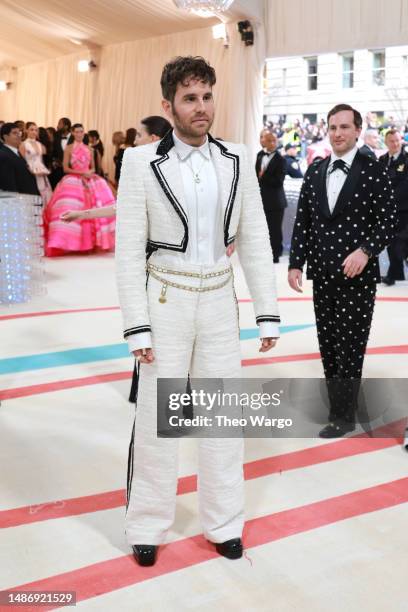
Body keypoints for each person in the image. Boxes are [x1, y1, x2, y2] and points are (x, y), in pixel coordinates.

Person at [115, 56, 280, 566]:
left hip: (218, 300)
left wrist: (267, 312)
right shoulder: (140, 162)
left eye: (207, 95)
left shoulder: (235, 156)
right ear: (168, 106)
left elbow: (254, 235)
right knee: (158, 421)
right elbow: (128, 248)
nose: (202, 107)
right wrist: (136, 325)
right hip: (164, 299)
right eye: (190, 98)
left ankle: (225, 523)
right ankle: (147, 525)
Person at [288, 104, 396, 439]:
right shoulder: (316, 170)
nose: (337, 133)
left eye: (344, 127)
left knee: (351, 345)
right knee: (329, 343)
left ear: (358, 130)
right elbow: (303, 221)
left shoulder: (373, 171)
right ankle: (339, 405)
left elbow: (388, 221)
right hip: (322, 273)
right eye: (333, 127)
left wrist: (366, 251)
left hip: (357, 278)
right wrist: (295, 262)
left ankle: (342, 415)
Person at [43, 123, 115, 256]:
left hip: (89, 178)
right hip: (73, 178)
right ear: (73, 133)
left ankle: (92, 243)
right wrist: (81, 173)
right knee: (69, 206)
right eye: (76, 132)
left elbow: (93, 167)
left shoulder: (90, 149)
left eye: (81, 132)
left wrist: (89, 172)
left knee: (99, 204)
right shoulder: (69, 148)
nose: (79, 134)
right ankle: (69, 242)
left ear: (84, 133)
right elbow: (65, 168)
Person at [379, 129, 408, 285]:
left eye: (397, 140)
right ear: (386, 142)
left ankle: (393, 275)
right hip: (389, 211)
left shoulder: (407, 159)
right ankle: (393, 275)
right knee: (391, 243)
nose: (395, 144)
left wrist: (389, 197)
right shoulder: (382, 160)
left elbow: (405, 185)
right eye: (392, 141)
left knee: (400, 242)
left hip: (404, 210)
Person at [255, 129, 287, 262]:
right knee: (262, 229)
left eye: (274, 141)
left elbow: (279, 181)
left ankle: (275, 255)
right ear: (264, 141)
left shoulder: (281, 160)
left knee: (275, 230)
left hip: (275, 201)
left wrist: (263, 177)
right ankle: (263, 253)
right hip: (261, 200)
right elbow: (255, 175)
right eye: (269, 140)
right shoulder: (259, 155)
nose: (272, 143)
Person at [0, 122, 40, 195]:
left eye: (19, 133)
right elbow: (9, 185)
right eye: (15, 133)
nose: (19, 136)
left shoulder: (16, 152)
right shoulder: (3, 155)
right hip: (20, 200)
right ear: (5, 136)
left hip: (28, 197)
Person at [19, 122, 53, 205]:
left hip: (41, 172)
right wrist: (31, 171)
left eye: (36, 130)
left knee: (45, 194)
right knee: (32, 195)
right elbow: (22, 162)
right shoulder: (23, 144)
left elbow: (41, 160)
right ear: (26, 130)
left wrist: (46, 169)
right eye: (31, 130)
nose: (34, 132)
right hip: (29, 172)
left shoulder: (40, 144)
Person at [50, 117, 71, 188]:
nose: (57, 126)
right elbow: (53, 152)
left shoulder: (74, 138)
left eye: (59, 124)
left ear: (66, 126)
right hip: (58, 171)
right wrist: (54, 162)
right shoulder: (56, 136)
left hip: (71, 171)